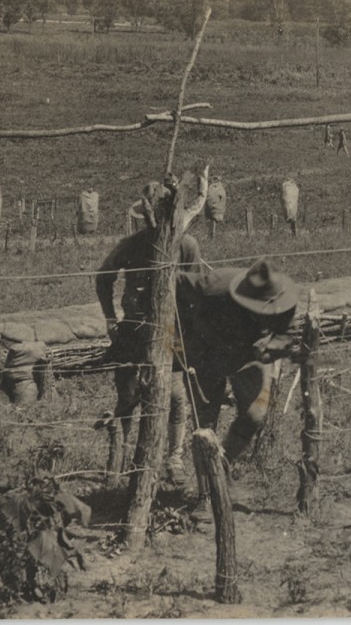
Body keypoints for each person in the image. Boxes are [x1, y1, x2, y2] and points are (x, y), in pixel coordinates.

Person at [95, 184, 205, 482]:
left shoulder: (186, 246)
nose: (155, 222)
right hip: (134, 329)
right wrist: (110, 318)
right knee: (128, 395)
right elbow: (103, 277)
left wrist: (189, 329)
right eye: (150, 217)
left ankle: (174, 459)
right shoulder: (132, 245)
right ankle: (119, 460)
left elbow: (197, 289)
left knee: (176, 396)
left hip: (172, 330)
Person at [174, 258, 300, 464]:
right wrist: (182, 340)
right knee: (205, 424)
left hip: (248, 357)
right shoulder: (213, 287)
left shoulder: (282, 299)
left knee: (254, 416)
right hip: (206, 357)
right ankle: (207, 479)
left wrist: (270, 348)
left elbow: (286, 334)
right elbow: (171, 283)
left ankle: (223, 465)